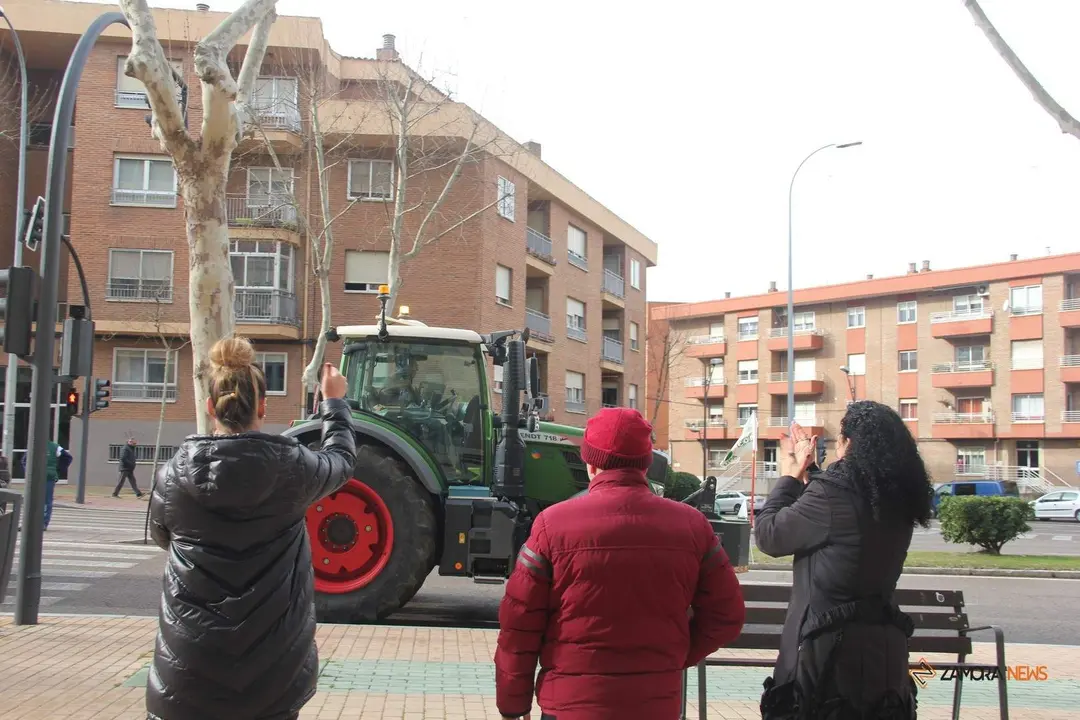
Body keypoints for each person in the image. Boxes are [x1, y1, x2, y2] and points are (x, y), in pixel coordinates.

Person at [145, 337, 357, 720]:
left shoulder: (173, 474)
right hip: (273, 676)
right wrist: (334, 403)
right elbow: (341, 460)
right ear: (262, 405)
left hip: (186, 670)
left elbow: (162, 535)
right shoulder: (295, 467)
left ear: (211, 407)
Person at [494, 407, 746, 720]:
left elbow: (519, 626)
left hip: (571, 707)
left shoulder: (551, 525)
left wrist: (512, 706)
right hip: (656, 707)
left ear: (590, 464)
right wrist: (675, 657)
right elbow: (728, 615)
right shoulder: (692, 526)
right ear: (646, 464)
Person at [754, 401, 934, 720]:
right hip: (883, 660)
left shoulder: (832, 496)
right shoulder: (896, 498)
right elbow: (842, 515)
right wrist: (810, 469)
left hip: (827, 661)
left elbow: (769, 535)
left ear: (848, 443)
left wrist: (791, 475)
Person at [44, 441, 73, 531]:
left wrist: (58, 470)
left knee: (45, 500)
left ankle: (42, 522)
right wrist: (59, 470)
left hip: (46, 477)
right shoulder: (55, 447)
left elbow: (67, 457)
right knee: (46, 501)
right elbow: (68, 457)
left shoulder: (54, 447)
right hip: (49, 476)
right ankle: (42, 523)